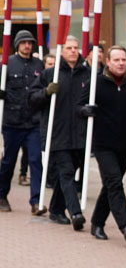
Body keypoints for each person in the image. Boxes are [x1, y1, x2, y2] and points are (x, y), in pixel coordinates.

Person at [89, 45, 126, 245]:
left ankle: (97, 222)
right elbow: (78, 107)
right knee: (114, 182)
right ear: (108, 62)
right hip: (103, 144)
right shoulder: (97, 83)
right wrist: (84, 110)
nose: (121, 63)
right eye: (116, 60)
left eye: (124, 59)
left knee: (110, 185)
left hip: (125, 144)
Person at [31, 36, 91, 228]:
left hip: (80, 134)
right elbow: (31, 99)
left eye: (75, 47)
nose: (73, 51)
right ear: (61, 51)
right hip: (57, 133)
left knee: (68, 173)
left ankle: (56, 209)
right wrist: (46, 92)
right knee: (66, 173)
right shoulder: (50, 74)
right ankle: (75, 213)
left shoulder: (87, 74)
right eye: (69, 48)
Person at [0, 30, 46, 215]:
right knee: (9, 161)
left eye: (30, 42)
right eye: (24, 43)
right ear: (17, 45)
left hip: (33, 121)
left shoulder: (38, 64)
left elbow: (41, 88)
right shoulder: (7, 64)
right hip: (12, 122)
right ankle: (2, 195)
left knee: (36, 160)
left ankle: (36, 201)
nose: (27, 46)